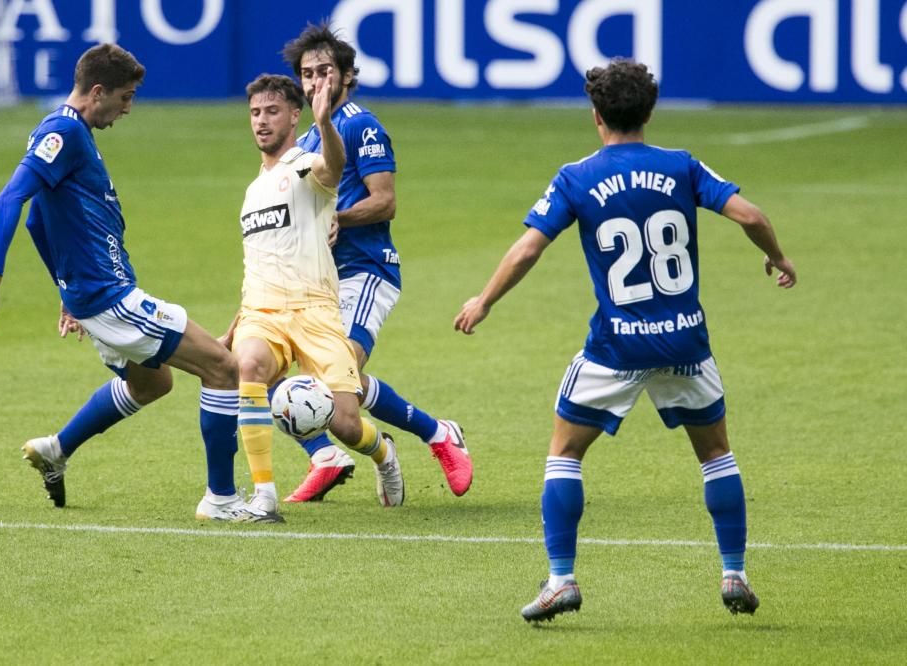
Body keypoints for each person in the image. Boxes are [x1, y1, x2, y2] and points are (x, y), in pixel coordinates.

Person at [454, 59, 796, 622]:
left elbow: (528, 248)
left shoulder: (577, 176)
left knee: (565, 452)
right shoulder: (681, 167)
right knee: (715, 453)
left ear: (596, 116)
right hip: (686, 342)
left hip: (616, 347)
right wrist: (777, 257)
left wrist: (484, 300)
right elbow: (749, 213)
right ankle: (733, 571)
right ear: (650, 112)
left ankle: (561, 579)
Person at [0, 43, 246, 522]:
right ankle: (222, 499)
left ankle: (57, 448)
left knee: (154, 382)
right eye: (126, 97)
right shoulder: (63, 133)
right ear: (98, 91)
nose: (127, 109)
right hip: (109, 296)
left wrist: (64, 288)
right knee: (223, 367)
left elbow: (38, 224)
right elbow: (11, 198)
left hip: (90, 294)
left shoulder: (72, 134)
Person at [278, 22, 473, 504]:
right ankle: (329, 452)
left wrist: (336, 217)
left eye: (325, 71)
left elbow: (384, 202)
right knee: (263, 366)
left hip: (365, 270)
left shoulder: (359, 124)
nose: (316, 81)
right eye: (307, 73)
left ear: (347, 76)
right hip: (315, 281)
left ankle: (436, 434)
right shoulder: (303, 143)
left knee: (335, 373)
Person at [221, 72, 406, 522]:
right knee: (248, 366)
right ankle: (263, 497)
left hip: (316, 311)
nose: (261, 122)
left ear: (294, 115)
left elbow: (334, 168)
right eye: (255, 113)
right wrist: (235, 324)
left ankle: (382, 453)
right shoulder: (251, 193)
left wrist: (325, 124)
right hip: (264, 311)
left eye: (272, 112)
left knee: (344, 421)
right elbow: (259, 264)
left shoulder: (304, 165)